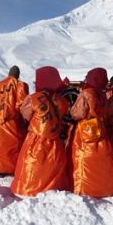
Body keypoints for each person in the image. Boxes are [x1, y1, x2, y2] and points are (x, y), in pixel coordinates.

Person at [11, 66, 69, 197]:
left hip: (36, 138)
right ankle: (53, 186)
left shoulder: (33, 98)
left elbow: (25, 114)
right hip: (55, 140)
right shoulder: (60, 100)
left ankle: (31, 187)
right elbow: (64, 111)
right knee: (53, 164)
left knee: (33, 163)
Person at [69, 68, 113, 198]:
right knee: (102, 158)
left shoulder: (86, 93)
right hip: (101, 128)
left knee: (84, 158)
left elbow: (77, 113)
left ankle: (86, 187)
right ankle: (106, 186)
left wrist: (71, 110)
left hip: (86, 129)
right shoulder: (102, 94)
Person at [0, 66, 29, 176]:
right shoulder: (20, 85)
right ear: (18, 75)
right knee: (12, 145)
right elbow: (22, 104)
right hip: (12, 121)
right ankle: (11, 168)